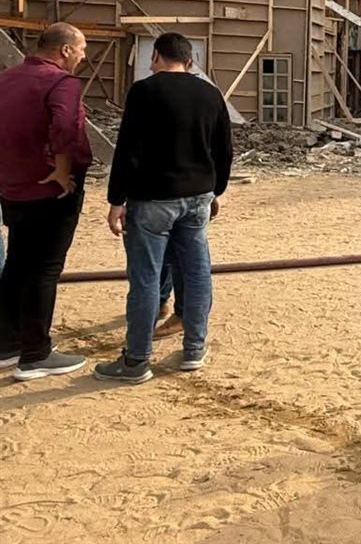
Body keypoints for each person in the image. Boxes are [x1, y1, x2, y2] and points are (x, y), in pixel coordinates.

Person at [94, 33, 233, 383]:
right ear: (190, 60)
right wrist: (216, 190)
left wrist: (116, 199)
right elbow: (223, 149)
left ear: (155, 55)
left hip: (152, 198)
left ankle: (136, 360)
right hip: (198, 197)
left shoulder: (144, 91)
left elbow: (127, 149)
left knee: (146, 278)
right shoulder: (210, 93)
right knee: (197, 273)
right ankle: (194, 349)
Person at [0, 23, 91, 381]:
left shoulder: (7, 79)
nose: (83, 56)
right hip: (52, 190)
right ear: (65, 49)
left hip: (13, 187)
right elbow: (66, 127)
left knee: (17, 263)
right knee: (45, 268)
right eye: (81, 49)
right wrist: (62, 169)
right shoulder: (61, 83)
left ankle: (7, 343)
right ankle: (36, 354)